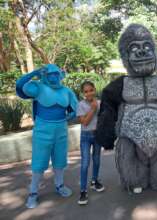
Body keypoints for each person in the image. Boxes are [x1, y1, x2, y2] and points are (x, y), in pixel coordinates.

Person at [96, 24, 157, 194]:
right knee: (129, 160)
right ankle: (135, 181)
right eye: (134, 48)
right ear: (125, 56)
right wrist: (106, 135)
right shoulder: (117, 86)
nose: (142, 52)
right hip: (130, 136)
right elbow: (108, 111)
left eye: (147, 47)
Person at [16, 64, 78, 209]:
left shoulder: (66, 91)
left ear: (60, 75)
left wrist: (73, 113)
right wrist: (34, 73)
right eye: (50, 74)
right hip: (43, 129)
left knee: (60, 160)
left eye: (56, 74)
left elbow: (75, 107)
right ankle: (33, 193)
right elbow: (20, 85)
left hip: (61, 129)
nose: (54, 77)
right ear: (45, 76)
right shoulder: (37, 88)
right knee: (39, 162)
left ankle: (60, 185)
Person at [77, 81, 105, 205]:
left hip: (97, 135)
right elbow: (85, 122)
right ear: (83, 93)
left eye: (91, 90)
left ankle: (94, 181)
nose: (89, 93)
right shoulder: (81, 105)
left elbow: (104, 118)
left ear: (94, 90)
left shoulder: (100, 103)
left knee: (97, 160)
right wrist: (93, 109)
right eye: (86, 91)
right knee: (85, 163)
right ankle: (83, 190)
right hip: (86, 136)